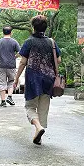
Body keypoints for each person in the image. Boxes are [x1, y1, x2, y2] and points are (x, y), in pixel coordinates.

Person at [14, 15, 61, 145]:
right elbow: (58, 60)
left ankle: (38, 127)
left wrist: (16, 78)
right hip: (48, 79)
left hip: (33, 79)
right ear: (45, 28)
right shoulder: (51, 42)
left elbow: (23, 62)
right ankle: (38, 135)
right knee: (43, 108)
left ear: (33, 27)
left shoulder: (29, 41)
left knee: (30, 106)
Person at [0, 26, 21, 107]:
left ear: (3, 32)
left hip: (1, 66)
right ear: (11, 33)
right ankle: (9, 96)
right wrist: (15, 56)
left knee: (1, 82)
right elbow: (20, 52)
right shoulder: (14, 42)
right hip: (11, 66)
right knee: (11, 81)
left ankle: (3, 101)